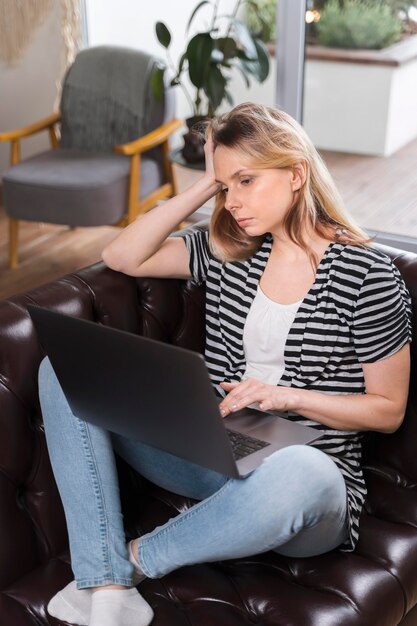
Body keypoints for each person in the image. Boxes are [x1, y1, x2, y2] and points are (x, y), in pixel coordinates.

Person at [38, 102, 412, 626]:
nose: (234, 201)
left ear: (296, 173)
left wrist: (285, 398)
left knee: (300, 472)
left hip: (308, 482)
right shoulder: (231, 247)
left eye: (247, 181)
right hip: (217, 449)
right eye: (225, 186)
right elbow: (125, 255)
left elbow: (388, 409)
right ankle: (105, 586)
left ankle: (126, 565)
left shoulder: (367, 275)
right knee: (65, 370)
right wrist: (206, 183)